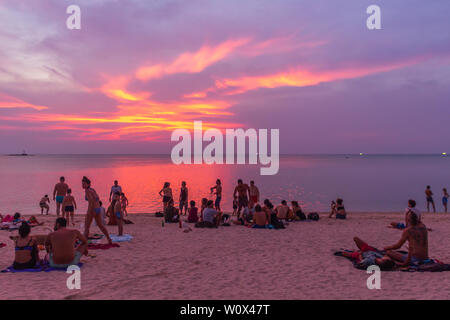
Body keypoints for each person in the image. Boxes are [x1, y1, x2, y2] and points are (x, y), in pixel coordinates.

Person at [82, 176, 112, 244]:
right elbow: (97, 199)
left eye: (84, 184)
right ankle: (109, 239)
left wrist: (89, 211)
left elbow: (91, 202)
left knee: (86, 226)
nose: (83, 185)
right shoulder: (92, 190)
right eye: (82, 184)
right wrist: (97, 208)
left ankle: (84, 242)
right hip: (98, 209)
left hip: (92, 209)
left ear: (88, 184)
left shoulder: (87, 191)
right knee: (100, 225)